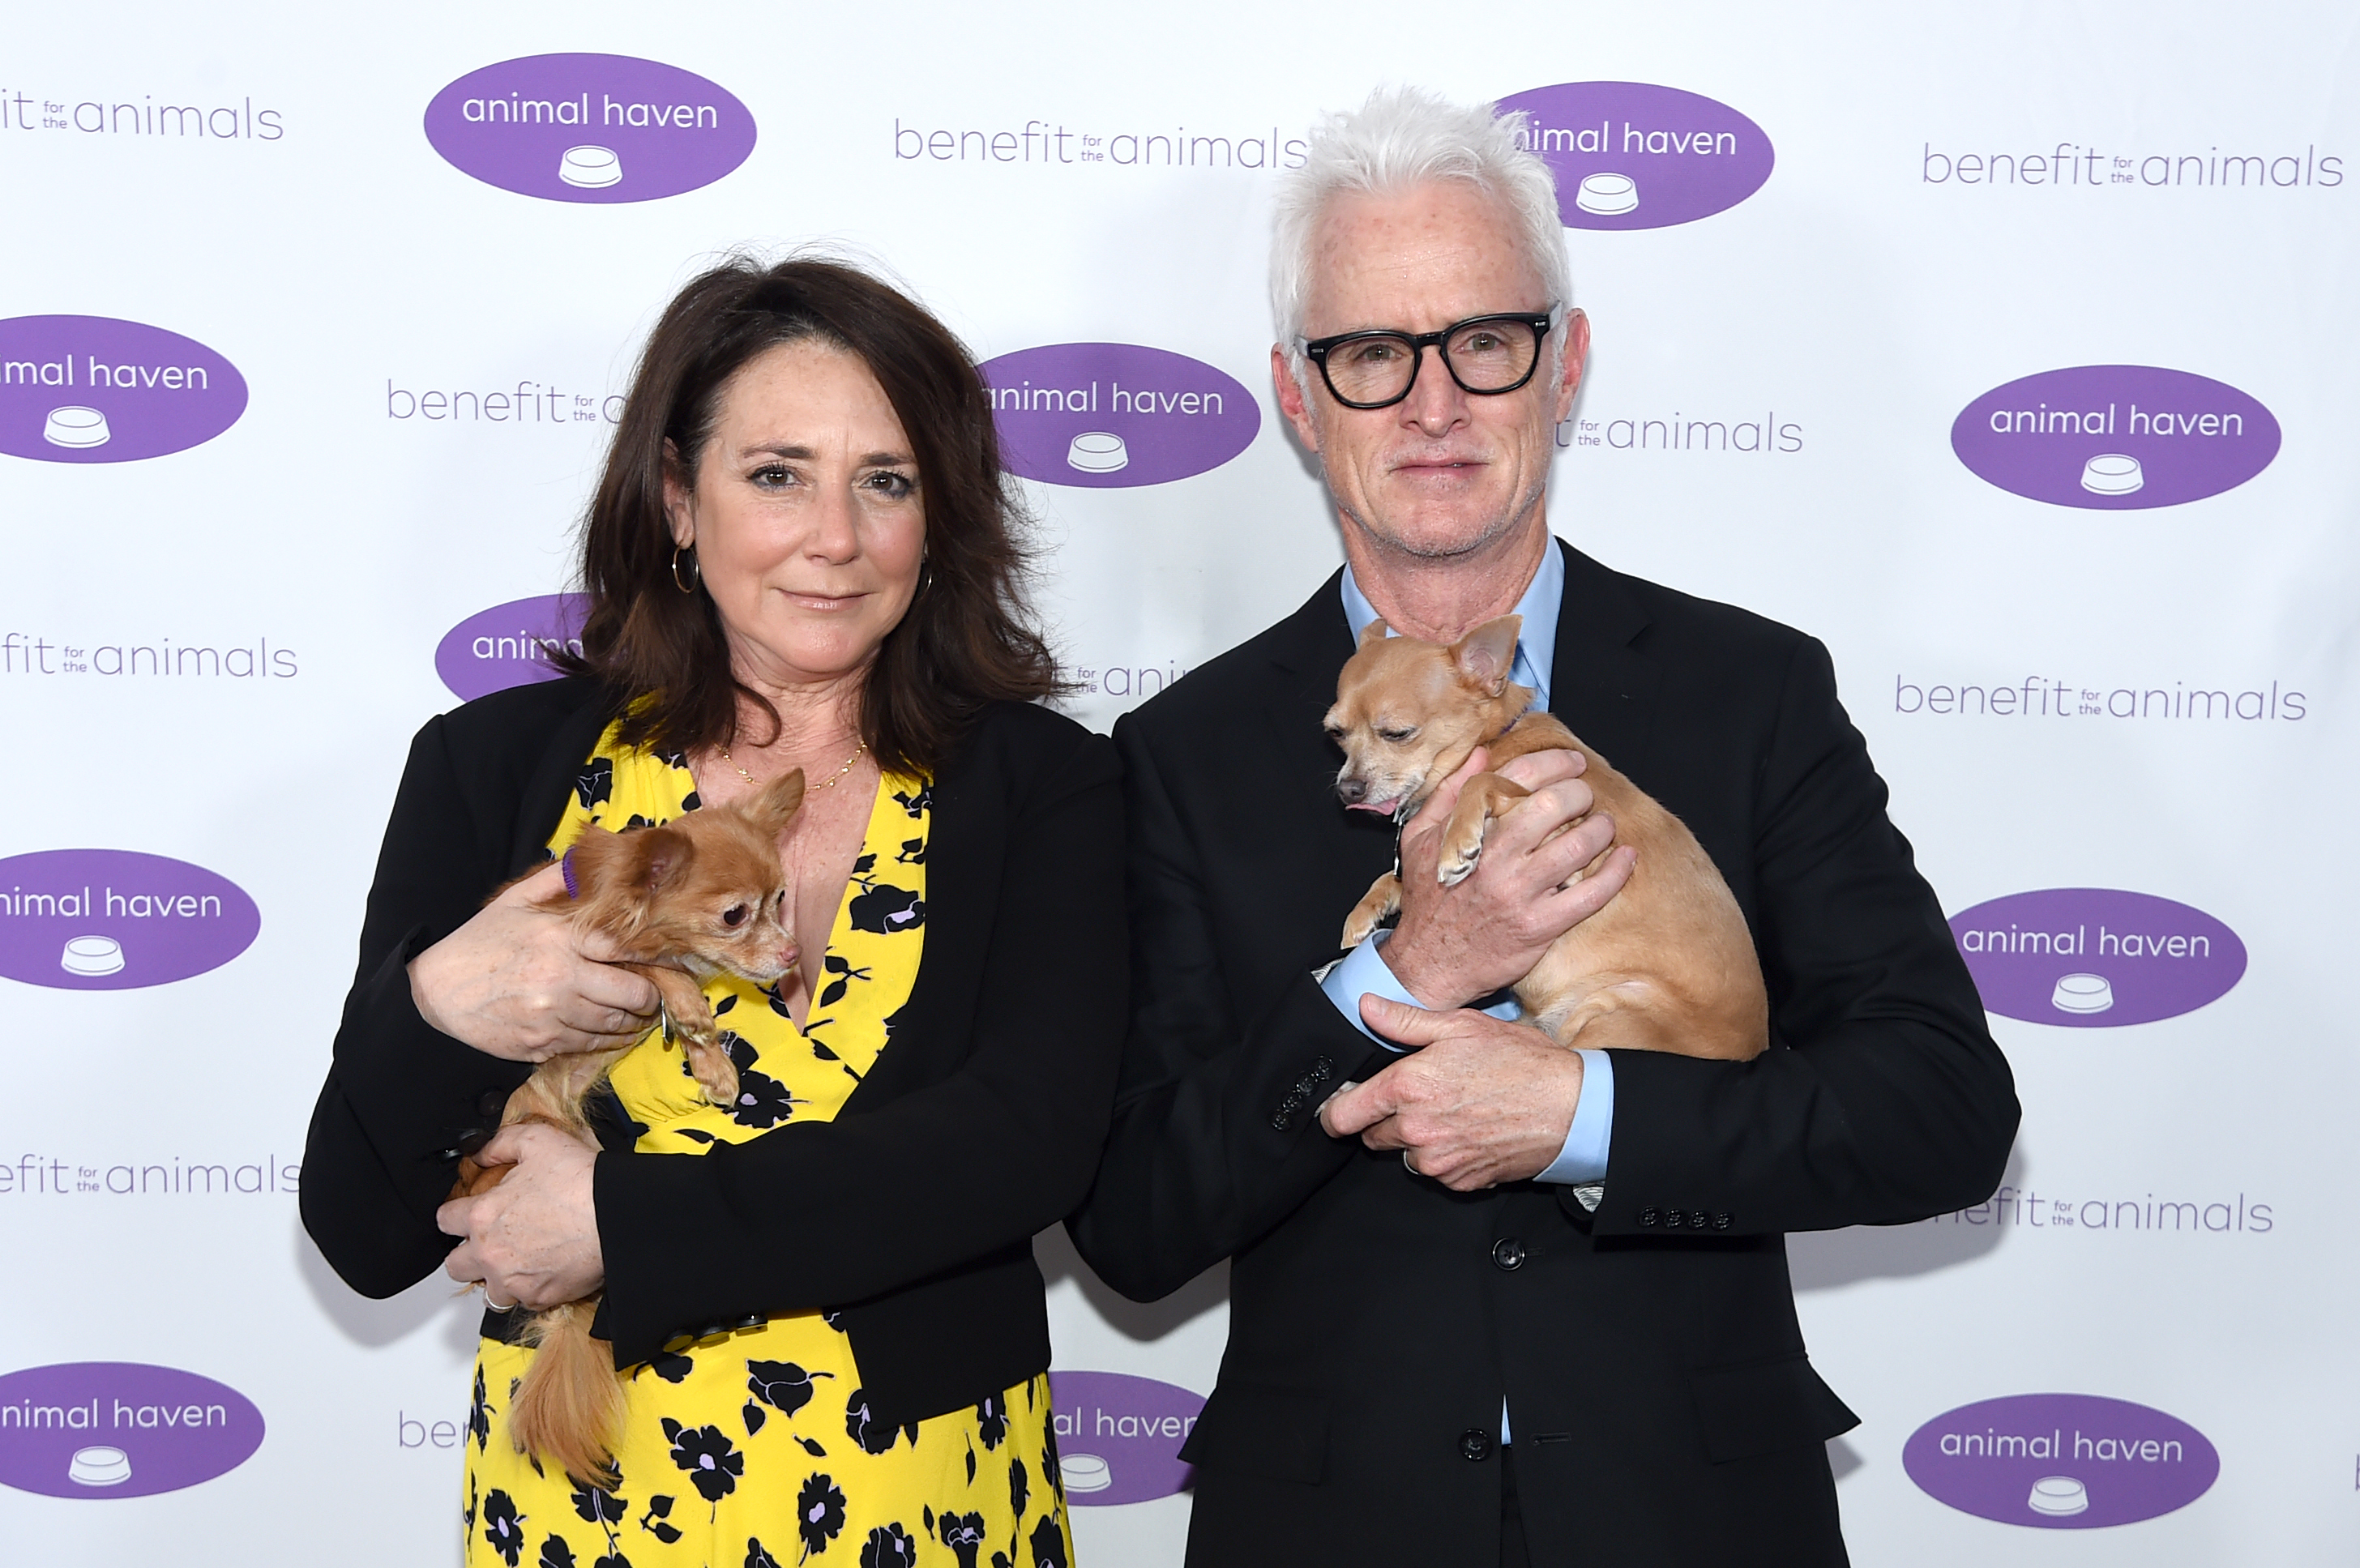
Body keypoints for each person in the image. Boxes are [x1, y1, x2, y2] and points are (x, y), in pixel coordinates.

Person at [1064, 88, 2018, 1566]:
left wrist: (1585, 1117)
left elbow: (1941, 1113)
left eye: (1485, 342)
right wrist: (1399, 984)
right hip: (1328, 1526)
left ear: (1564, 366)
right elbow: (1133, 1216)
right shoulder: (1182, 753)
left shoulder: (1752, 694)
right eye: (1373, 353)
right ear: (1297, 397)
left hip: (1694, 1513)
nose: (1434, 404)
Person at [301, 257, 1122, 1568]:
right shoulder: (497, 770)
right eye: (777, 473)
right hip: (587, 1495)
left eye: (888, 481)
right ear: (678, 500)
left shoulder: (1046, 787)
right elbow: (363, 1232)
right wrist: (440, 1004)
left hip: (928, 1498)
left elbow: (1021, 1149)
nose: (836, 537)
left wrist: (624, 1225)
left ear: (940, 520)